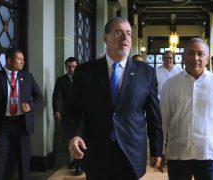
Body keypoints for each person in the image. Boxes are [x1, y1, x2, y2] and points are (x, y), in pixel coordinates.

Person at [63, 17, 163, 179]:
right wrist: (73, 135)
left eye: (129, 34)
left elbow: (154, 116)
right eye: (118, 33)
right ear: (105, 37)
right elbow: (71, 110)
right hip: (97, 151)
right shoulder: (86, 72)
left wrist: (157, 149)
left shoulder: (146, 73)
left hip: (131, 152)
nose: (125, 38)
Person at [160, 38, 213, 180]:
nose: (195, 58)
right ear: (183, 57)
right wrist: (161, 150)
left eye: (200, 54)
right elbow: (163, 120)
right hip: (178, 154)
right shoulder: (170, 85)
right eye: (191, 53)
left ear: (207, 58)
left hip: (209, 153)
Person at [0, 48, 43, 180]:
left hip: (22, 124)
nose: (23, 62)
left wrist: (30, 106)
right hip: (1, 126)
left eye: (23, 59)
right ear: (9, 60)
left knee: (24, 162)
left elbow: (39, 98)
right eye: (19, 59)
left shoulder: (28, 77)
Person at [52, 57, 82, 175]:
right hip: (67, 115)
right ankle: (76, 160)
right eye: (69, 67)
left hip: (81, 115)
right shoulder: (61, 80)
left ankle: (79, 165)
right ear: (66, 67)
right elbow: (57, 96)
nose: (71, 69)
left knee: (79, 138)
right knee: (71, 139)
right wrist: (57, 111)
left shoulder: (82, 79)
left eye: (74, 66)